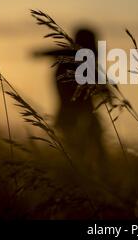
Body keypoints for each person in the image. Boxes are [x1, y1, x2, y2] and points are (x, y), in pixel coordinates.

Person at [33, 26, 106, 172]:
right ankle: (91, 173)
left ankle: (84, 173)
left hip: (75, 112)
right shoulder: (79, 58)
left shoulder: (76, 58)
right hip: (78, 112)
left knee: (80, 148)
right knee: (84, 148)